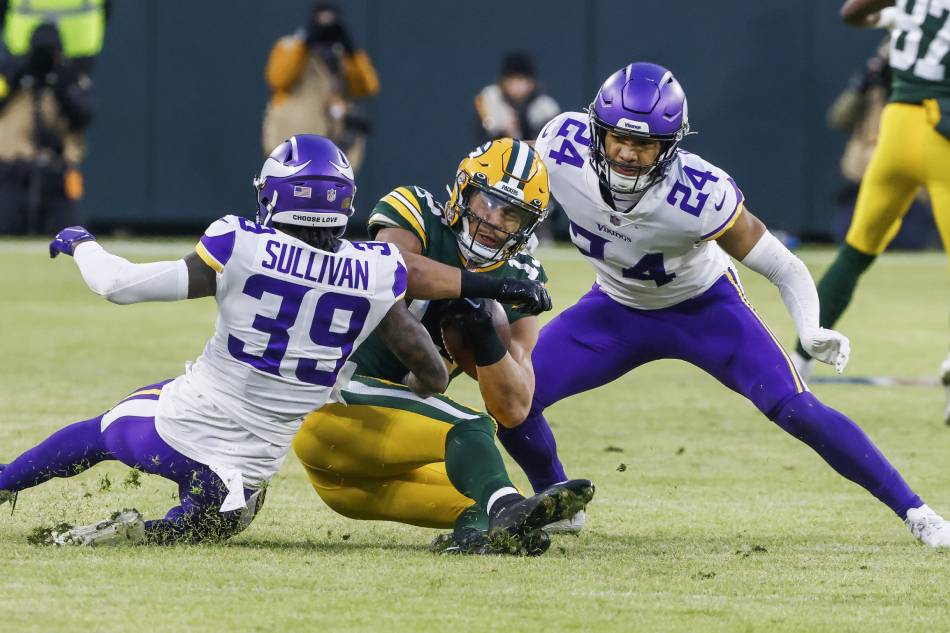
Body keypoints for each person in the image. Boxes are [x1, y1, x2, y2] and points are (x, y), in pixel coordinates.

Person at [0, 135, 572, 551]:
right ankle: (142, 535)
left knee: (100, 432)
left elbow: (118, 285)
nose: (496, 219)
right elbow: (433, 372)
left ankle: (7, 484)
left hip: (189, 423)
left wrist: (80, 245)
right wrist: (481, 300)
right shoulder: (373, 271)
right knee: (217, 516)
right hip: (250, 474)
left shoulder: (241, 244)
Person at [492, 61, 950, 547]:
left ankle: (918, 512)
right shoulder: (561, 147)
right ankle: (556, 502)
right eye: (618, 138)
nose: (627, 153)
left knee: (796, 408)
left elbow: (784, 266)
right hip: (615, 308)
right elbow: (507, 194)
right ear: (595, 130)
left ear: (669, 147)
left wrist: (810, 328)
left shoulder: (697, 194)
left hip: (704, 310)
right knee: (511, 397)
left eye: (644, 143)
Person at [292, 138, 595, 555]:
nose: (493, 219)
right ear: (461, 190)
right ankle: (506, 505)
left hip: (360, 477)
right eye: (486, 201)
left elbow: (515, 405)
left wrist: (486, 338)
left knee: (478, 500)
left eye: (511, 214)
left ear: (528, 226)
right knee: (471, 430)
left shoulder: (521, 271)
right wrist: (488, 286)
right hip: (329, 404)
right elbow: (396, 271)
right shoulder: (415, 208)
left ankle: (481, 538)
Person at [790, 0, 950, 423]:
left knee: (856, 251)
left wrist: (888, 15)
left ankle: (798, 360)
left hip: (895, 131)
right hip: (943, 134)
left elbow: (851, 12)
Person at [0, 22, 93, 235]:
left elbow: (83, 115)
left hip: (57, 176)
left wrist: (58, 81)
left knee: (71, 235)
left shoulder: (70, 77)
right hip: (10, 173)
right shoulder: (10, 75)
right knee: (6, 228)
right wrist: (20, 76)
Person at [262, 2, 378, 171]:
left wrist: (351, 52)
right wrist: (306, 42)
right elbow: (278, 78)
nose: (325, 27)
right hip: (290, 142)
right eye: (321, 20)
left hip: (330, 144)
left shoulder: (342, 55)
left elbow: (367, 87)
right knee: (288, 191)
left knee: (329, 192)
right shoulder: (291, 45)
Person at [474, 51, 560, 144]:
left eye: (522, 79)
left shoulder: (546, 107)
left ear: (532, 83)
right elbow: (484, 137)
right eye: (512, 79)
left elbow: (551, 143)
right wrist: (503, 131)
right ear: (503, 82)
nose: (518, 86)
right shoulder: (490, 99)